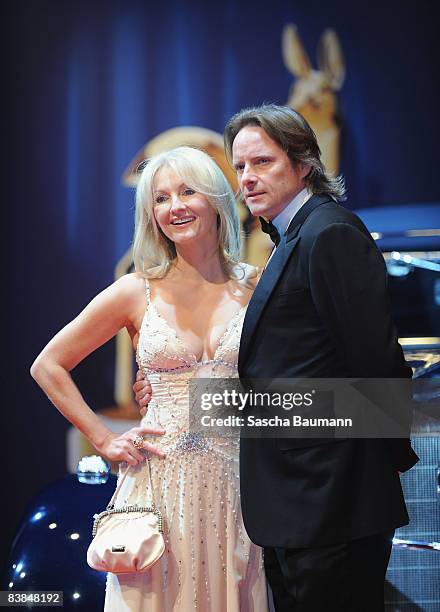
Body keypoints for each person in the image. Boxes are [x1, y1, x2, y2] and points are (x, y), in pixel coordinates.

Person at [134, 105, 419, 612]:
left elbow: (375, 378)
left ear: (304, 163)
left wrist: (207, 403)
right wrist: (177, 387)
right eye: (239, 166)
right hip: (296, 508)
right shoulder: (291, 237)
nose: (247, 178)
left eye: (262, 162)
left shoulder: (328, 233)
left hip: (331, 505)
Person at [31, 146, 269, 612]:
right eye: (160, 198)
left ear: (218, 199)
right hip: (157, 489)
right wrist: (103, 438)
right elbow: (48, 365)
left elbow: (282, 381)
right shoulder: (135, 291)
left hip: (238, 488)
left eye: (187, 192)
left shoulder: (258, 285)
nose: (174, 206)